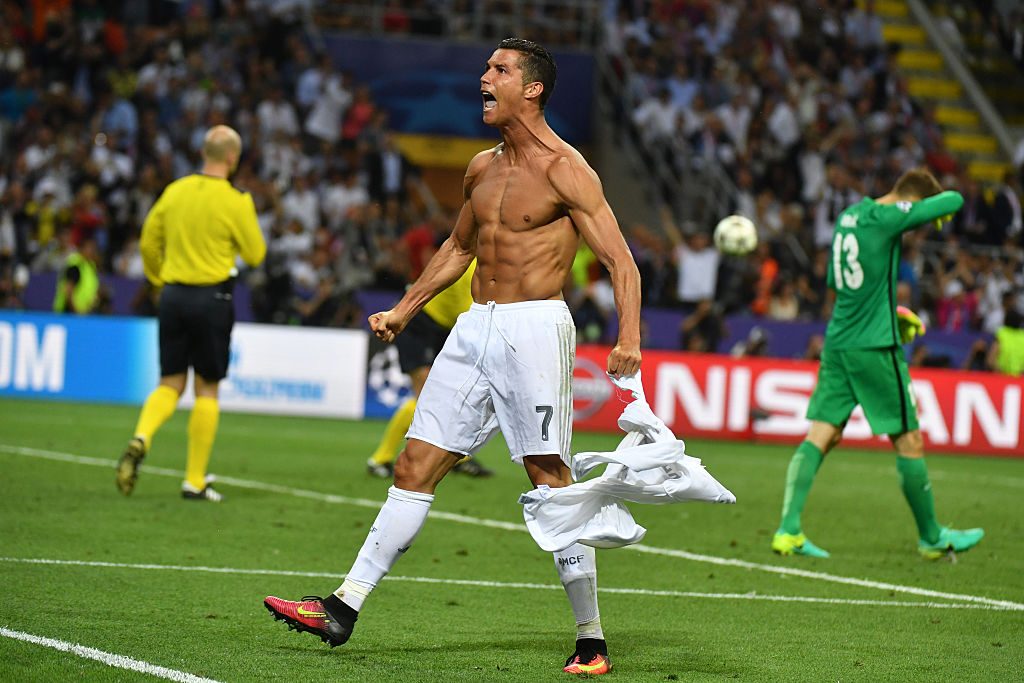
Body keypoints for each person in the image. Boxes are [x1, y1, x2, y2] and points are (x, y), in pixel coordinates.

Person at [264, 38, 642, 676]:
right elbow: (458, 246)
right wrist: (405, 307)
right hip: (474, 329)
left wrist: (627, 338)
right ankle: (342, 607)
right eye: (487, 68)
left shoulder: (567, 168)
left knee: (551, 483)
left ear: (534, 89)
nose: (484, 78)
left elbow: (620, 260)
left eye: (500, 71)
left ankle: (591, 639)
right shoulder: (480, 167)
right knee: (414, 464)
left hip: (535, 328)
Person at [771, 168, 984, 560]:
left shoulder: (847, 218)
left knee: (823, 434)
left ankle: (788, 529)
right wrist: (927, 210)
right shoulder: (890, 217)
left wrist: (890, 313)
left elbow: (843, 286)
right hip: (873, 348)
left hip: (839, 342)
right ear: (912, 205)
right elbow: (954, 199)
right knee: (909, 438)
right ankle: (932, 536)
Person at [115, 125, 266, 502]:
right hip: (212, 298)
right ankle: (194, 480)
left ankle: (142, 435)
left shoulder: (175, 190)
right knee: (207, 388)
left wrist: (156, 280)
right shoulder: (236, 200)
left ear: (204, 152)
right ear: (232, 157)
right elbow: (256, 254)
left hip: (174, 295)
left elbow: (149, 240)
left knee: (169, 382)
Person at [365, 258, 494, 478]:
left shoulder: (488, 267)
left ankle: (458, 457)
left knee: (451, 394)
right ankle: (380, 458)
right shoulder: (473, 269)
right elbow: (471, 316)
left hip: (442, 329)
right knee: (425, 395)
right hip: (420, 322)